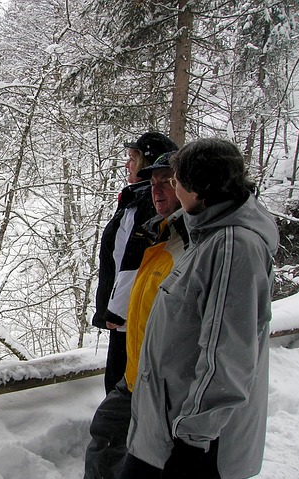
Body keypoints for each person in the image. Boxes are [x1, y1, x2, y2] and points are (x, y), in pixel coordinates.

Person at [119, 138, 279, 479]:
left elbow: (229, 354)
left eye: (176, 179)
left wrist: (192, 442)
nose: (170, 187)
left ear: (200, 188)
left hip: (197, 442)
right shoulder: (208, 236)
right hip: (168, 428)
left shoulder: (233, 246)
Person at [84, 152, 188, 479]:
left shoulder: (197, 246)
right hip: (137, 378)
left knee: (137, 456)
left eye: (168, 183)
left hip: (164, 390)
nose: (157, 191)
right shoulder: (160, 238)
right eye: (153, 182)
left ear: (189, 186)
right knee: (107, 434)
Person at [92, 132, 178, 395]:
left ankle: (123, 437)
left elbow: (135, 260)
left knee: (123, 390)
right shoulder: (136, 199)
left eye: (132, 158)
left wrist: (116, 311)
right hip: (130, 316)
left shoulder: (148, 204)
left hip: (132, 319)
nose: (127, 165)